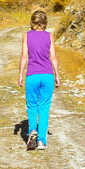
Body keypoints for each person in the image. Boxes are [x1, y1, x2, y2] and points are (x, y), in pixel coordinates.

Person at [17, 9, 60, 151]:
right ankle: (41, 141)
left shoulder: (26, 36)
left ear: (32, 21)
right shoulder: (49, 36)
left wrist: (20, 74)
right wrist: (57, 75)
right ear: (45, 22)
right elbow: (53, 57)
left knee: (32, 105)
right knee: (44, 107)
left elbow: (24, 56)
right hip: (47, 75)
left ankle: (32, 131)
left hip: (32, 75)